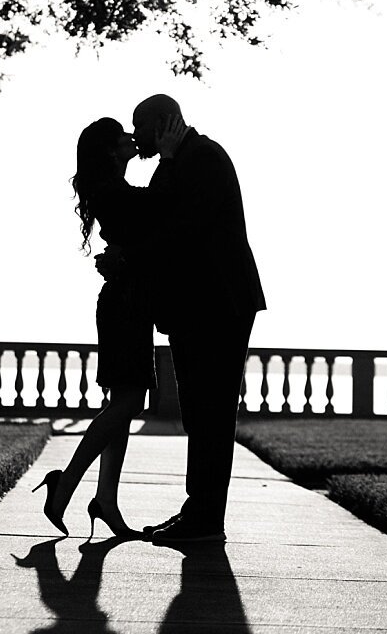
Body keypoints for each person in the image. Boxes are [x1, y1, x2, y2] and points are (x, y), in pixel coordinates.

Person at [34, 116, 183, 539]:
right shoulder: (112, 192)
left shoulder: (112, 189)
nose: (132, 141)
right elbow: (156, 209)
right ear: (109, 150)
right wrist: (168, 158)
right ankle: (67, 484)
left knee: (125, 403)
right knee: (129, 403)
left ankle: (106, 501)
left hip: (129, 302)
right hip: (124, 305)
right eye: (124, 138)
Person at [131, 94, 265, 544]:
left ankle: (207, 521)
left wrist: (167, 161)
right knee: (199, 413)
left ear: (165, 124)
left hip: (219, 305)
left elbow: (172, 227)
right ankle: (198, 511)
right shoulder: (183, 160)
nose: (136, 137)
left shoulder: (203, 157)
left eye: (141, 127)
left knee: (212, 412)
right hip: (200, 306)